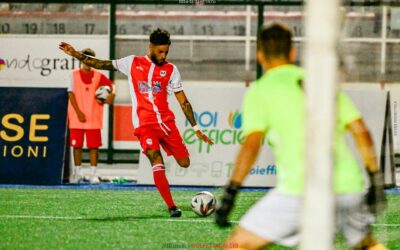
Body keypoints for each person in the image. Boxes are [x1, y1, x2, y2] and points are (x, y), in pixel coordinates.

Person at [215, 23, 386, 250]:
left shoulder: (260, 91)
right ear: (292, 52)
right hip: (347, 186)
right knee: (366, 245)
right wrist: (375, 179)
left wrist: (231, 191)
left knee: (237, 245)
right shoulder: (319, 82)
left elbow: (251, 144)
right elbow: (360, 130)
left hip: (300, 189)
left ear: (260, 55)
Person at [59, 28, 213, 217]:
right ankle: (172, 206)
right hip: (144, 126)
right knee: (156, 161)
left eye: (166, 51)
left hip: (166, 124)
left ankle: (172, 196)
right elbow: (101, 63)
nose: (163, 55)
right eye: (160, 51)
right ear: (150, 47)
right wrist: (75, 53)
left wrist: (196, 128)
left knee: (185, 162)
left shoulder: (171, 70)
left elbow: (183, 101)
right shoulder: (132, 62)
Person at [67, 48, 115, 184]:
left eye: (90, 60)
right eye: (85, 59)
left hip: (93, 117)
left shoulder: (99, 75)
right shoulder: (73, 75)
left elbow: (112, 86)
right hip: (77, 117)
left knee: (94, 147)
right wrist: (78, 112)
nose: (88, 63)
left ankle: (94, 174)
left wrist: (112, 94)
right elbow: (70, 93)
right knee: (77, 147)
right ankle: (77, 173)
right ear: (81, 60)